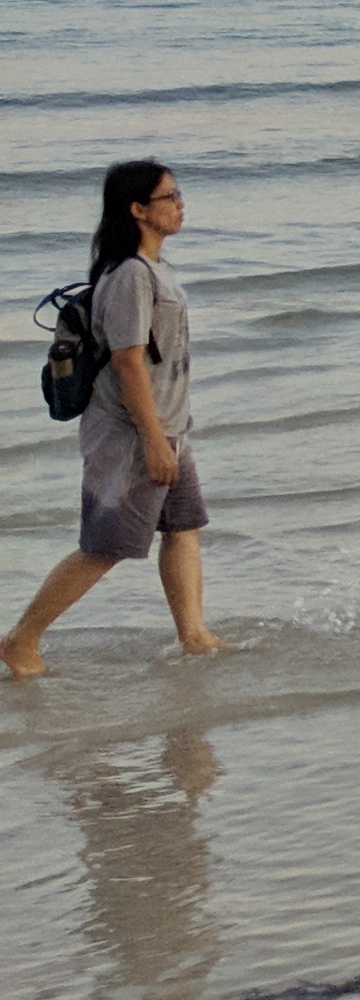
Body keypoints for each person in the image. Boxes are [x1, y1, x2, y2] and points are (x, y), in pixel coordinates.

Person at [8, 161, 225, 677]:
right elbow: (128, 362)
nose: (180, 204)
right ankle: (21, 640)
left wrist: (168, 435)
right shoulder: (130, 274)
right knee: (104, 547)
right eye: (169, 196)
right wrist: (153, 440)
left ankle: (194, 636)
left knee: (184, 528)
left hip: (169, 428)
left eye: (178, 193)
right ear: (138, 210)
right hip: (133, 435)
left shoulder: (153, 268)